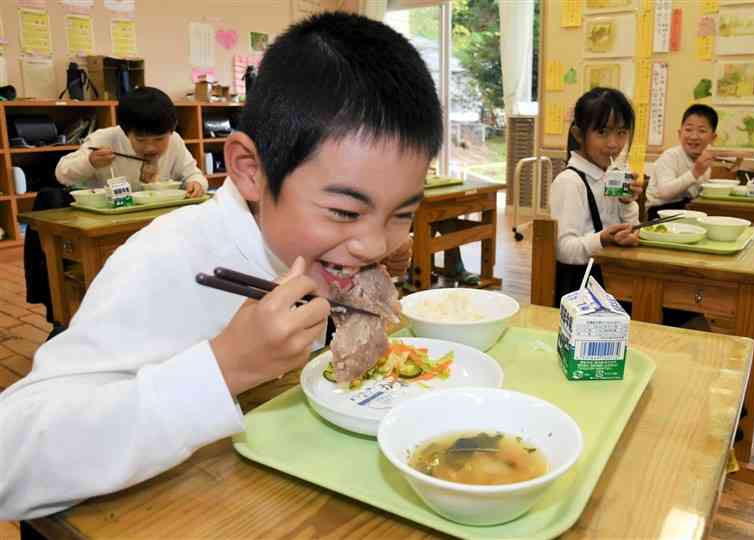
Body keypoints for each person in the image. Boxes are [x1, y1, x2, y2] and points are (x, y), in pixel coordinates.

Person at [0, 11, 441, 519]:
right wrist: (225, 366)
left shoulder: (329, 252)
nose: (370, 244)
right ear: (251, 170)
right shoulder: (164, 260)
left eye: (401, 212)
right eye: (345, 210)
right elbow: (14, 463)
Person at [548, 87, 641, 305]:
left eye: (621, 133)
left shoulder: (610, 175)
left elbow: (631, 227)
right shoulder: (570, 182)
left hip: (613, 281)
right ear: (579, 134)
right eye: (602, 132)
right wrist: (603, 238)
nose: (613, 144)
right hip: (583, 297)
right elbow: (563, 250)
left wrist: (627, 204)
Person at [55, 87, 208, 197]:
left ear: (171, 130)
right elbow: (62, 173)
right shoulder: (104, 139)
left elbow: (193, 174)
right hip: (110, 220)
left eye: (159, 139)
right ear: (125, 132)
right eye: (140, 140)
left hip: (159, 219)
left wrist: (196, 184)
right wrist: (90, 162)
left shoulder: (175, 141)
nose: (150, 148)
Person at [645, 104, 725, 220]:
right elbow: (665, 192)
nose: (693, 136)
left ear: (713, 137)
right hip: (659, 213)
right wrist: (695, 172)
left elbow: (697, 195)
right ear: (680, 133)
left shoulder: (704, 162)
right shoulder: (670, 156)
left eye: (702, 131)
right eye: (688, 129)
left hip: (688, 210)